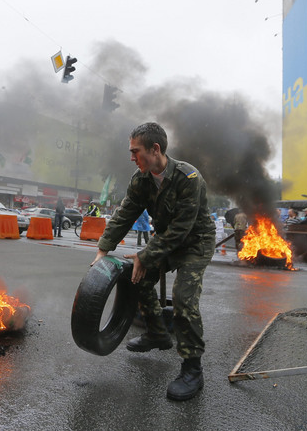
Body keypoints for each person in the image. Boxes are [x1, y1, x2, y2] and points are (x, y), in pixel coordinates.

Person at [91, 122, 215, 402]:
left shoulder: (189, 178)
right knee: (139, 279)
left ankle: (193, 369)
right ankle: (158, 334)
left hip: (195, 242)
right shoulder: (141, 179)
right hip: (166, 241)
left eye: (136, 151)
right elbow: (125, 214)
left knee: (183, 299)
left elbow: (182, 229)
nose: (132, 157)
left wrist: (145, 255)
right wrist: (103, 249)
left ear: (155, 149)